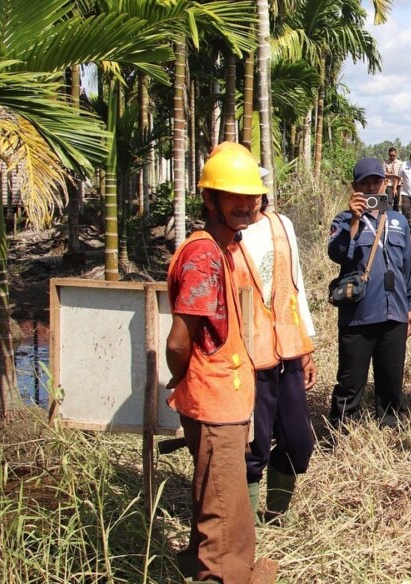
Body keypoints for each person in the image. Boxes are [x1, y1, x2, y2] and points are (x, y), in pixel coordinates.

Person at [164, 143, 263, 583]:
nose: (246, 205)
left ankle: (240, 570)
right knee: (221, 513)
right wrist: (183, 379)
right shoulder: (204, 254)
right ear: (210, 200)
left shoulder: (226, 247)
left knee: (227, 502)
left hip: (228, 398)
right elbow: (178, 340)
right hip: (214, 401)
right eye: (233, 196)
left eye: (252, 196)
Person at [231, 155, 318, 525]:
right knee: (253, 445)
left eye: (255, 193)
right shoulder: (221, 239)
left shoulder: (282, 225)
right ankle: (249, 527)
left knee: (299, 441)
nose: (250, 202)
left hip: (287, 348)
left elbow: (295, 286)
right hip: (247, 357)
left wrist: (307, 344)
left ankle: (275, 513)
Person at [327, 158, 411, 429]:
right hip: (359, 315)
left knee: (392, 379)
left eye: (375, 182)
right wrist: (354, 221)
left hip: (395, 312)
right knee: (350, 380)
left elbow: (408, 267)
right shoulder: (343, 220)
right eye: (364, 183)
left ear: (385, 184)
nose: (370, 188)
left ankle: (391, 426)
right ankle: (342, 429)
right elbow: (339, 255)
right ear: (354, 186)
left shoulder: (399, 220)